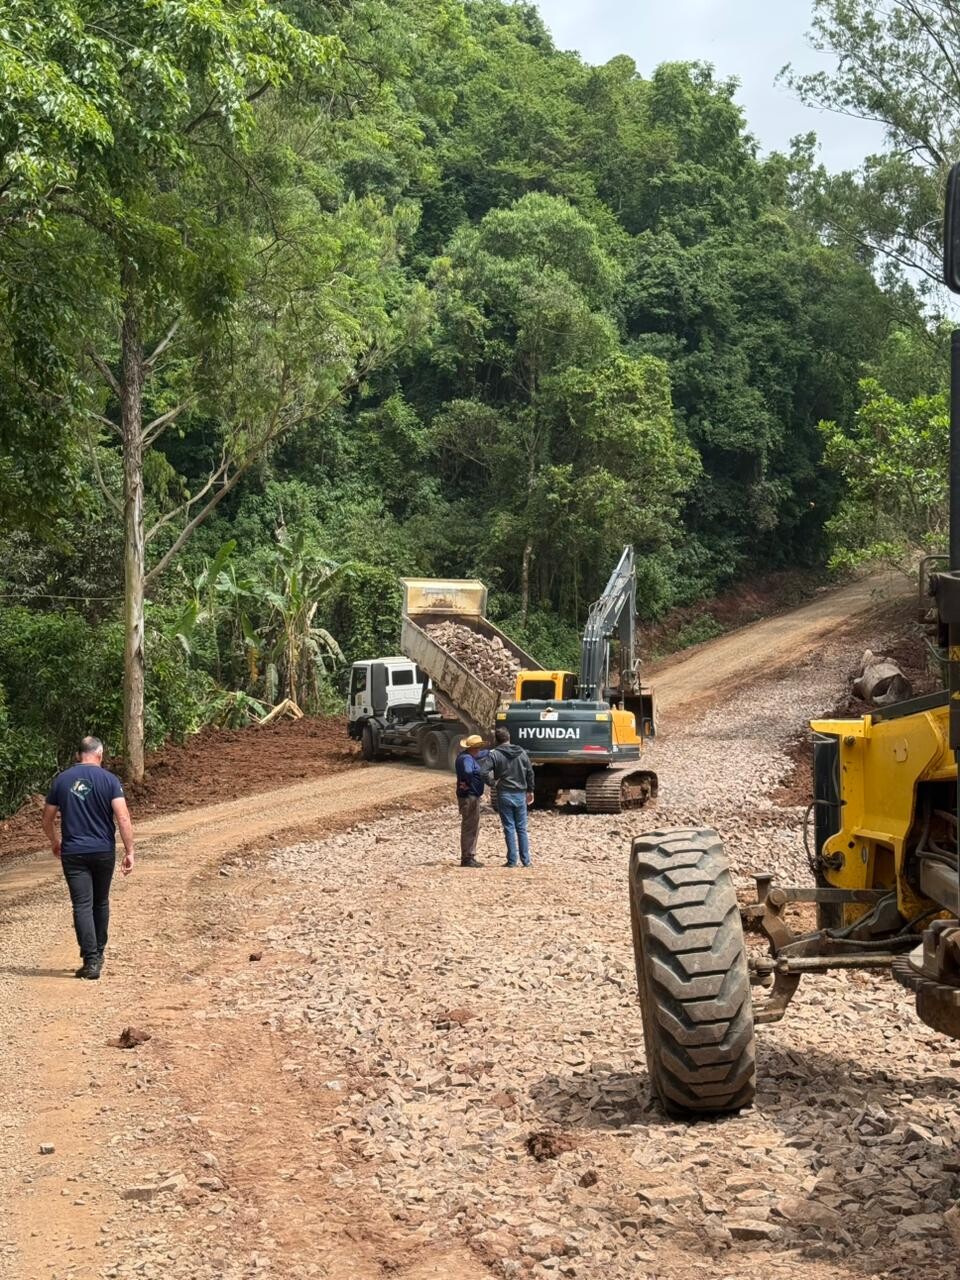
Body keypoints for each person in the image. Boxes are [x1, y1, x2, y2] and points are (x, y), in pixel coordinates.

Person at [42, 736, 135, 980]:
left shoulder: (62, 780)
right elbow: (123, 817)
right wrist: (130, 851)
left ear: (78, 755)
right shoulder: (110, 780)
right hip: (103, 850)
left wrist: (55, 842)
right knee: (101, 902)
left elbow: (47, 818)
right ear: (100, 754)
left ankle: (91, 960)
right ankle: (99, 953)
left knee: (82, 904)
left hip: (73, 852)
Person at [482, 727, 535, 868]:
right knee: (522, 828)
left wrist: (492, 783)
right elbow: (530, 772)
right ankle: (526, 861)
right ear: (509, 737)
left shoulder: (494, 754)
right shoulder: (521, 752)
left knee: (509, 827)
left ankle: (512, 861)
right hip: (520, 793)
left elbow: (483, 771)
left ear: (496, 740)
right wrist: (530, 790)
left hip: (504, 793)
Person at [455, 734, 488, 868]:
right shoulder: (467, 759)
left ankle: (468, 856)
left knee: (471, 825)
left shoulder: (465, 756)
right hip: (470, 796)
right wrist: (469, 782)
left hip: (468, 796)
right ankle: (468, 858)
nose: (480, 750)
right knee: (470, 826)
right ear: (475, 748)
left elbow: (482, 754)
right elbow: (468, 771)